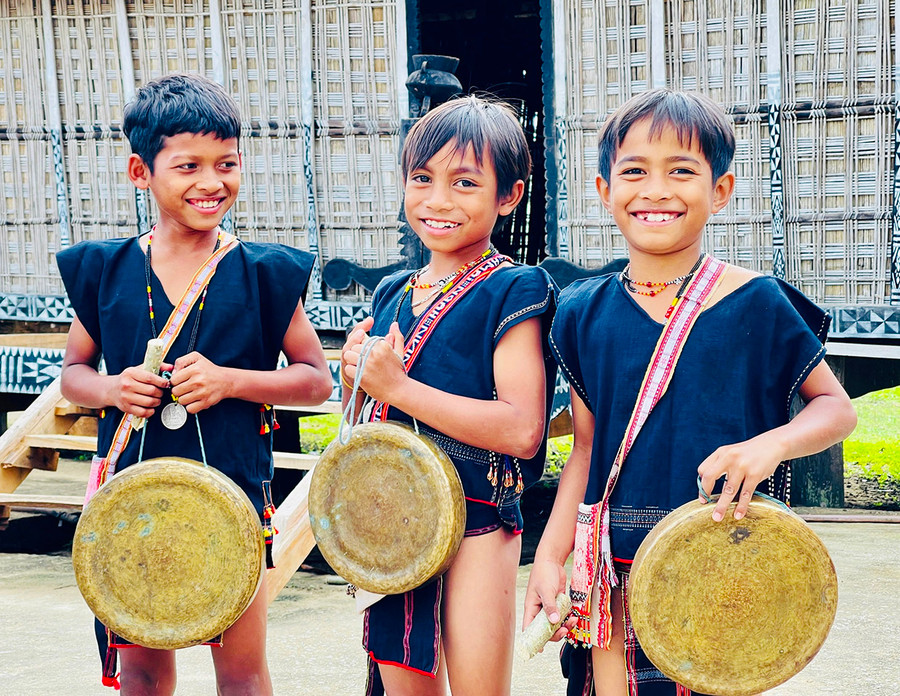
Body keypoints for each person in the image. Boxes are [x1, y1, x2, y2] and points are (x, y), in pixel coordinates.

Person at [522, 89, 858, 696]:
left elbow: (836, 410)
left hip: (723, 559)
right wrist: (549, 557)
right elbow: (585, 448)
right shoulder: (579, 313)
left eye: (682, 171)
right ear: (604, 191)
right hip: (615, 569)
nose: (656, 189)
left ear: (720, 190)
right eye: (634, 171)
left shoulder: (758, 302)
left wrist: (770, 446)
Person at [57, 73, 333, 695]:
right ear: (140, 171)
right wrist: (111, 391)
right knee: (142, 669)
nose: (211, 182)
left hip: (233, 498)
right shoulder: (105, 269)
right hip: (133, 498)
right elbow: (74, 376)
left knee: (240, 669)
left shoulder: (264, 274)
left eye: (226, 163)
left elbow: (316, 381)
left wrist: (233, 381)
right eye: (188, 166)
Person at [340, 95, 558, 696]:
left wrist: (398, 386)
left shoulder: (514, 287)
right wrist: (354, 379)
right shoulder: (392, 292)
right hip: (392, 517)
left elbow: (521, 429)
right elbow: (366, 421)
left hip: (479, 520)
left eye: (465, 183)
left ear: (508, 196)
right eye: (422, 179)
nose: (438, 200)